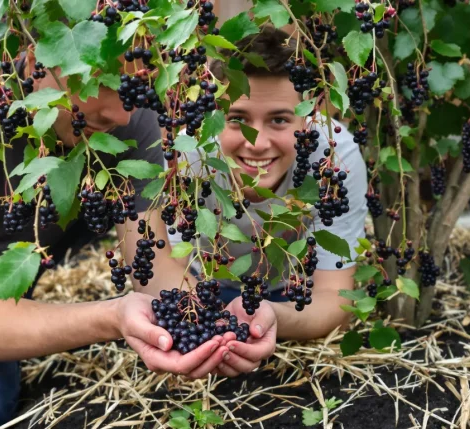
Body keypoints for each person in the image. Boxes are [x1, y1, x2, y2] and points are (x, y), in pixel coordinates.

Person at [0, 46, 246, 429]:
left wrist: (220, 327)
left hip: (67, 229)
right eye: (104, 84)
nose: (124, 115)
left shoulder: (129, 105)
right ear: (33, 59)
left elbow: (153, 267)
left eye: (135, 92)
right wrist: (111, 317)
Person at [134, 26, 368, 378]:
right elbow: (167, 272)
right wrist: (213, 326)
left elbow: (335, 297)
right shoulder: (188, 155)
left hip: (291, 297)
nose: (256, 144)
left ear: (310, 117)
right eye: (238, 119)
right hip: (204, 286)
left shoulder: (335, 160)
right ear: (213, 113)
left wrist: (272, 317)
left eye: (279, 120)